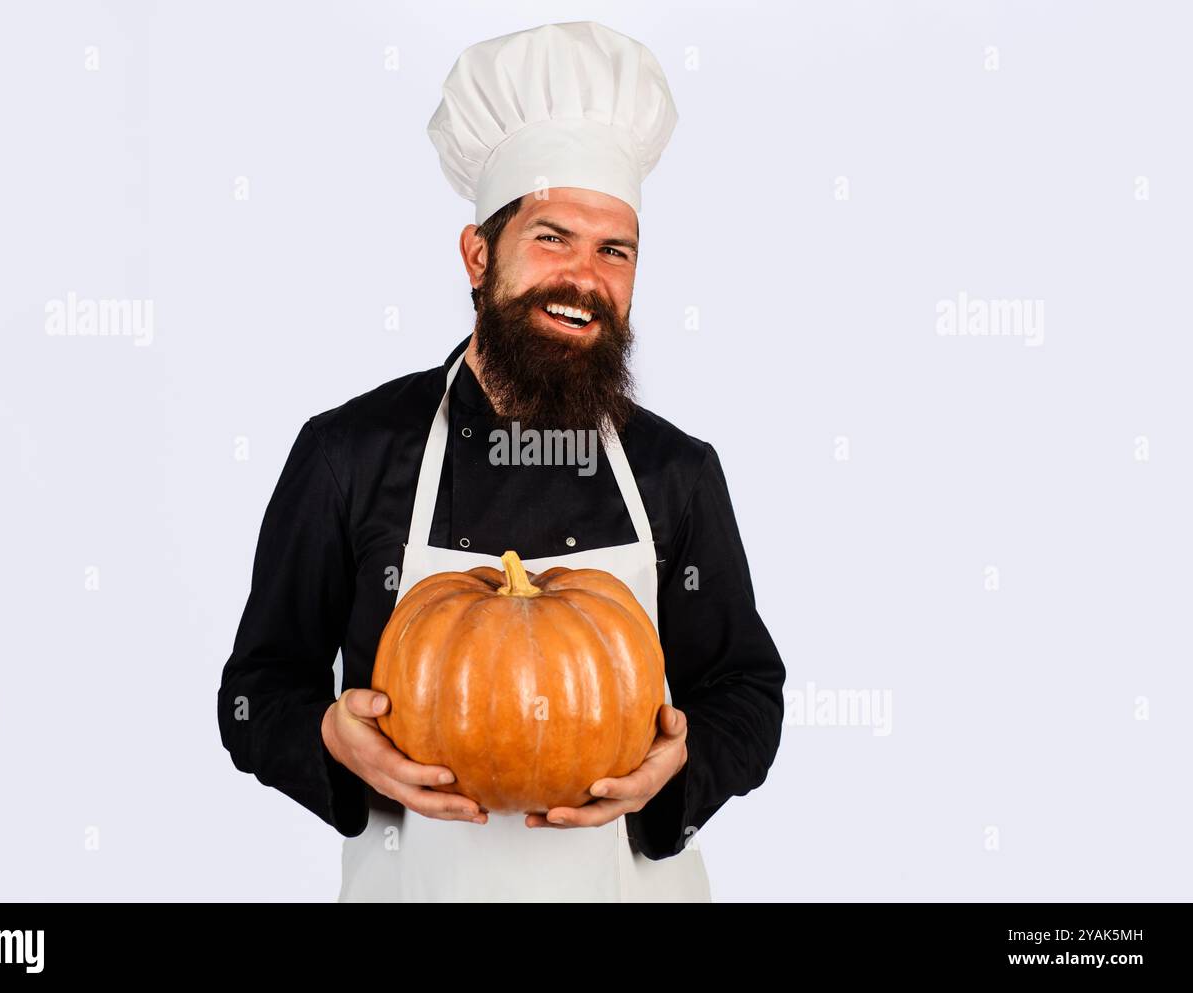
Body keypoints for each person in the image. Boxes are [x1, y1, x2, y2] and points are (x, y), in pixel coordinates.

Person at [217, 20, 786, 902]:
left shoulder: (677, 472)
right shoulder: (351, 453)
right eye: (552, 238)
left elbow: (748, 691)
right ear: (478, 255)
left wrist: (680, 768)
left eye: (614, 250)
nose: (584, 278)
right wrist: (327, 739)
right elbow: (254, 694)